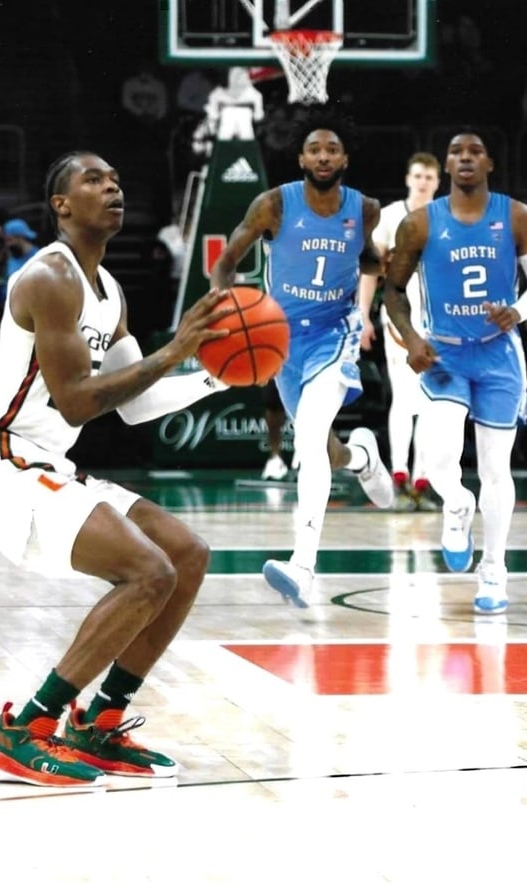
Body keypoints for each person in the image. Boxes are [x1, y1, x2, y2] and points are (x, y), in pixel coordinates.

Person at [0, 150, 234, 787]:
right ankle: (23, 729)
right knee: (146, 572)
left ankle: (99, 721)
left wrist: (216, 376)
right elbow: (79, 398)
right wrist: (174, 351)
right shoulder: (49, 278)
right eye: (94, 180)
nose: (113, 187)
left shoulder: (110, 291)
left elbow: (136, 408)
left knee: (185, 554)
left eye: (116, 178)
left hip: (43, 458)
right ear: (61, 205)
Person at [209, 112, 395, 607]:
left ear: (344, 159)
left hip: (335, 333)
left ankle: (303, 566)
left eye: (332, 149)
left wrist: (383, 270)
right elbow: (227, 260)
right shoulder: (273, 204)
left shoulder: (365, 208)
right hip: (281, 340)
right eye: (315, 149)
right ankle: (361, 456)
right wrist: (220, 304)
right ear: (302, 159)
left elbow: (369, 258)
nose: (324, 156)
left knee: (308, 439)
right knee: (324, 448)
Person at [383, 129, 527, 615]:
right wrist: (413, 339)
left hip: (499, 354)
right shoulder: (419, 223)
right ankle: (457, 505)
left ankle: (494, 571)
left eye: (474, 151)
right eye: (456, 152)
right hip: (444, 354)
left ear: (489, 164)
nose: (465, 157)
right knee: (439, 461)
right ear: (447, 165)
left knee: (496, 469)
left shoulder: (516, 215)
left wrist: (518, 311)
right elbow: (393, 292)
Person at [358, 151, 442, 509]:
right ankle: (399, 471)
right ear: (409, 179)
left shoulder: (446, 217)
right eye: (418, 176)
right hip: (401, 318)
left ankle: (421, 478)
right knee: (405, 398)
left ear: (437, 183)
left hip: (439, 320)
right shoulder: (391, 216)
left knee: (429, 402)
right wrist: (363, 315)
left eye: (429, 177)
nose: (423, 182)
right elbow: (369, 269)